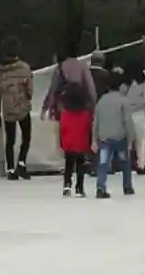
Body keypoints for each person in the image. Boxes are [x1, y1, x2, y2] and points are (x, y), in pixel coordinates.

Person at [45, 45, 97, 198]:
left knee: (69, 161)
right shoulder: (83, 68)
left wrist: (47, 107)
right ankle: (79, 188)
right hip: (81, 141)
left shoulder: (60, 68)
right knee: (80, 162)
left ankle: (67, 185)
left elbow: (53, 89)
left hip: (68, 140)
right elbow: (91, 89)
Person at [93, 76, 136, 198]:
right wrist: (131, 137)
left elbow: (96, 121)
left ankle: (100, 187)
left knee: (103, 163)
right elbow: (127, 121)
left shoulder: (101, 101)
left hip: (104, 137)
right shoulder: (123, 100)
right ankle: (127, 186)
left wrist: (94, 138)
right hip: (120, 137)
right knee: (125, 162)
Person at [0, 53, 35, 181]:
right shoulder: (24, 68)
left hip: (8, 108)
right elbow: (29, 89)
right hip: (22, 105)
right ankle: (21, 163)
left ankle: (10, 169)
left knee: (10, 140)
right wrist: (28, 96)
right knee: (26, 136)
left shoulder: (1, 71)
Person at [120, 61, 145, 172]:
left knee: (127, 141)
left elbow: (121, 99)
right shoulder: (144, 83)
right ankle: (141, 165)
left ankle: (126, 163)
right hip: (140, 114)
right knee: (141, 140)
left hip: (127, 114)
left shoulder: (124, 85)